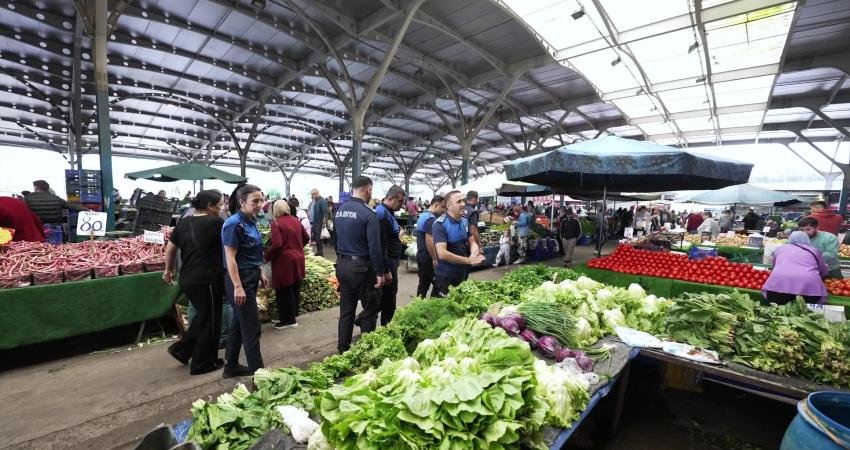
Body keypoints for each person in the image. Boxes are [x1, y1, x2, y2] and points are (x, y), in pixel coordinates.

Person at [162, 190, 226, 375]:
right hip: (207, 278)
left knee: (205, 317)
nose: (221, 208)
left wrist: (168, 270)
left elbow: (170, 248)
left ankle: (182, 350)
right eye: (220, 205)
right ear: (209, 206)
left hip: (187, 278)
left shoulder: (183, 222)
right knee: (210, 321)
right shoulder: (216, 222)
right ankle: (202, 364)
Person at [221, 184, 269, 378]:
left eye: (261, 200)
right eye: (255, 201)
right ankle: (260, 376)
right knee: (252, 328)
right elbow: (230, 258)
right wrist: (238, 286)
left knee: (238, 324)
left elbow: (253, 251)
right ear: (242, 202)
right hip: (239, 279)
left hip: (251, 275)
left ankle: (231, 366)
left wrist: (261, 271)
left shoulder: (251, 220)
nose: (260, 204)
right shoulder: (233, 224)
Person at [334, 176, 385, 353]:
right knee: (370, 310)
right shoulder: (369, 213)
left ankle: (343, 351)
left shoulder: (340, 211)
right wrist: (380, 272)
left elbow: (335, 240)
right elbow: (375, 247)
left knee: (346, 312)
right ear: (369, 189)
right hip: (362, 269)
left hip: (342, 265)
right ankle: (366, 352)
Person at [265, 200, 309, 329]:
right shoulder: (296, 220)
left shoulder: (276, 224)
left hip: (284, 261)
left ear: (275, 210)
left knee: (283, 290)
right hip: (298, 258)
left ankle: (287, 320)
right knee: (294, 287)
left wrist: (266, 256)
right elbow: (306, 238)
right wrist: (297, 247)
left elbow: (277, 244)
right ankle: (293, 315)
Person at [431, 190, 485, 297]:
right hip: (447, 275)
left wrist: (475, 252)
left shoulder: (464, 220)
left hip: (462, 272)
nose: (463, 204)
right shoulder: (439, 225)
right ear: (448, 206)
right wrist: (469, 260)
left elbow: (471, 240)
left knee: (459, 301)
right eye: (459, 201)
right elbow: (442, 254)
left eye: (463, 200)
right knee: (444, 304)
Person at [762, 231, 829, 304]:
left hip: (778, 287)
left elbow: (774, 265)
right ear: (807, 239)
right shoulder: (815, 251)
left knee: (777, 308)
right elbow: (823, 270)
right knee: (805, 309)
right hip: (809, 290)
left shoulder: (780, 249)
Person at [375, 186, 406, 326]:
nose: (402, 205)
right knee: (388, 298)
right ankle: (386, 326)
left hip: (392, 261)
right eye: (400, 201)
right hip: (388, 263)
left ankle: (365, 318)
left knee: (388, 296)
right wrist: (386, 270)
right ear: (390, 198)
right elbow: (381, 245)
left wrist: (398, 232)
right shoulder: (381, 214)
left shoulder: (389, 212)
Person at [415, 195, 445, 298]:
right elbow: (429, 240)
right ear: (436, 205)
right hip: (427, 256)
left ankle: (419, 305)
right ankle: (433, 304)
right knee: (438, 284)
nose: (443, 210)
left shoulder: (423, 215)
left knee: (423, 283)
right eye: (442, 207)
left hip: (421, 255)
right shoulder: (431, 219)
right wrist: (434, 259)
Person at [308, 188, 328, 256]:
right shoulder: (316, 201)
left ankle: (320, 254)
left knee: (319, 239)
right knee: (317, 239)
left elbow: (325, 213)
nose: (312, 196)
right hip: (315, 223)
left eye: (313, 194)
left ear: (317, 193)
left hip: (319, 223)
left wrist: (324, 223)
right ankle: (319, 252)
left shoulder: (322, 201)